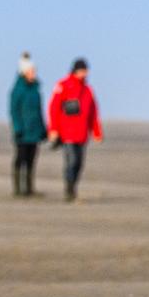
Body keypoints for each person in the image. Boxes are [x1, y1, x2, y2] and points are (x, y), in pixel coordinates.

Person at [47, 57, 103, 202]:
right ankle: (69, 190)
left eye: (86, 71)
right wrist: (53, 129)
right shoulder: (63, 85)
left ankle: (73, 187)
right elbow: (54, 108)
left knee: (79, 163)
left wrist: (97, 132)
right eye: (82, 70)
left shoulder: (88, 90)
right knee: (71, 162)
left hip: (82, 133)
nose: (84, 73)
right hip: (67, 133)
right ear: (75, 70)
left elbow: (93, 113)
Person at [8, 52, 47, 197]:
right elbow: (14, 111)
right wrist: (17, 128)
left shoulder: (36, 90)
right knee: (21, 159)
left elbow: (39, 112)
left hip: (34, 131)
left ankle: (29, 188)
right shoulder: (18, 90)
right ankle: (18, 188)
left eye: (34, 71)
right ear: (24, 72)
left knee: (31, 160)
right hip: (23, 132)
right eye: (31, 71)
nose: (33, 74)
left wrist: (43, 129)